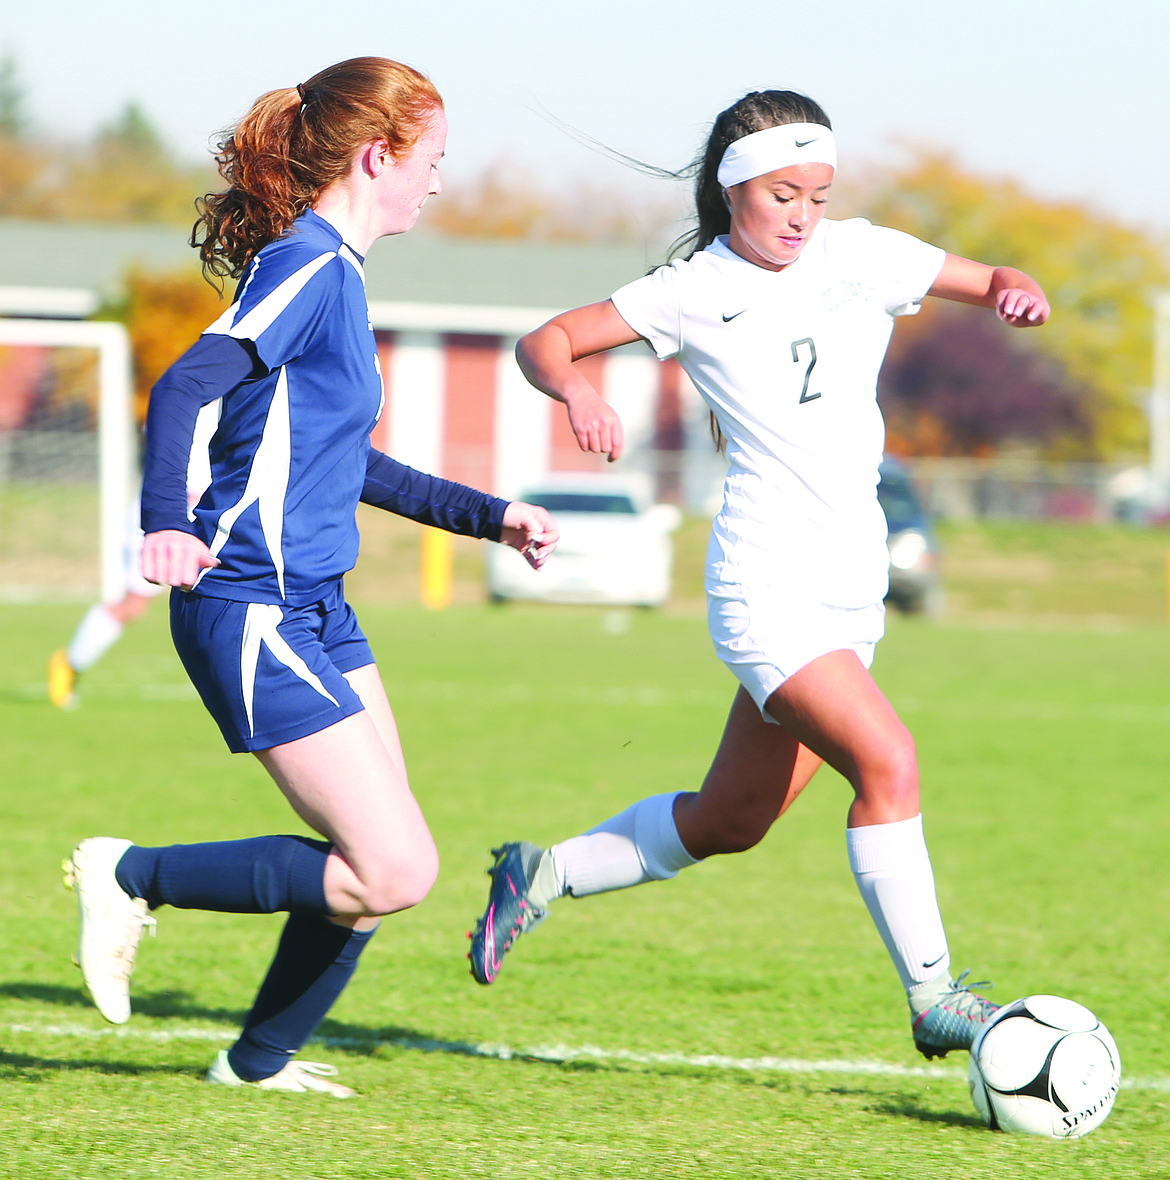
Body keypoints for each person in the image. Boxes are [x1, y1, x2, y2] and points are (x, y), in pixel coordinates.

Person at [467, 89, 1049, 1062]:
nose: (802, 215)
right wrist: (573, 386)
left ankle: (542, 872)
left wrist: (1011, 288)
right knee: (889, 762)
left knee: (730, 821)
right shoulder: (691, 287)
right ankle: (937, 996)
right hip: (766, 586)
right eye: (784, 192)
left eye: (818, 195)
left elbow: (993, 276)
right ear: (737, 184)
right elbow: (548, 341)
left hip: (850, 590)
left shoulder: (863, 253)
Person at [62, 56, 557, 1098]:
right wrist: (163, 525)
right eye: (432, 162)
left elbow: (349, 463)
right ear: (380, 156)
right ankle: (127, 873)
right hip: (248, 602)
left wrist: (489, 516)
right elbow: (186, 384)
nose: (436, 183)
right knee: (397, 866)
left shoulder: (338, 273)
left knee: (377, 871)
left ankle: (255, 1065)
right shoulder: (310, 264)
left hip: (317, 607)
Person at [48, 403, 219, 709]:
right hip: (165, 522)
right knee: (132, 605)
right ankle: (69, 663)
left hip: (203, 520)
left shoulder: (235, 401)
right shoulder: (193, 405)